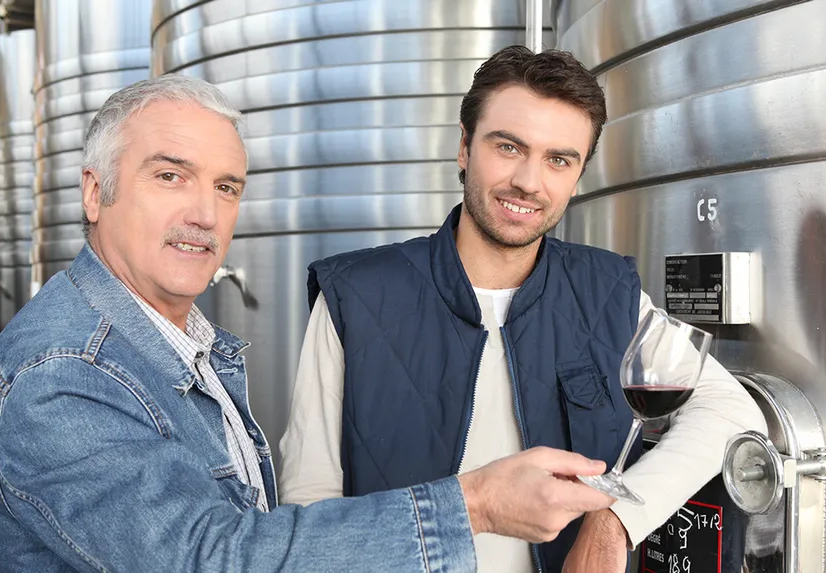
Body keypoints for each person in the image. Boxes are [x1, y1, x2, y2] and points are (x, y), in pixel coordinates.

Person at [0, 74, 619, 572]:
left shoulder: (182, 345)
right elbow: (211, 558)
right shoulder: (62, 376)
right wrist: (471, 504)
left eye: (226, 186)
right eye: (170, 175)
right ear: (92, 190)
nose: (205, 213)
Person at [278, 46, 768, 573]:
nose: (529, 183)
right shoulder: (356, 294)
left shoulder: (607, 291)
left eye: (559, 159)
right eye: (509, 147)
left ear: (577, 177)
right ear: (464, 147)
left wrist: (616, 520)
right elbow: (310, 505)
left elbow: (729, 408)